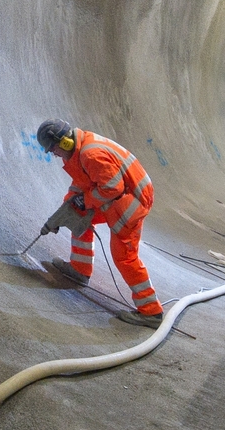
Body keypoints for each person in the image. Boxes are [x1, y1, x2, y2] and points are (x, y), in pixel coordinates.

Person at [34, 120, 161, 325]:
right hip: (122, 195)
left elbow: (112, 188)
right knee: (77, 215)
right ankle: (80, 269)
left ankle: (151, 311)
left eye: (54, 149)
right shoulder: (80, 149)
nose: (55, 154)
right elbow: (84, 182)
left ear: (64, 142)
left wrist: (85, 200)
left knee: (124, 256)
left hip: (132, 201)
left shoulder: (90, 154)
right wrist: (64, 212)